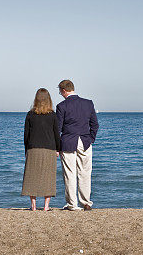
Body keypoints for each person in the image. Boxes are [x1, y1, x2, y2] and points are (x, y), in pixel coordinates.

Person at [56, 79, 99, 211]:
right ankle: (85, 202)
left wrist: (57, 147)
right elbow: (94, 125)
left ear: (63, 90)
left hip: (68, 141)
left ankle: (72, 204)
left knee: (69, 173)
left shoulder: (61, 106)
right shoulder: (88, 103)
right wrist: (91, 139)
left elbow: (57, 128)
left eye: (60, 91)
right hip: (85, 141)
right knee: (85, 172)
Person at [22, 88, 61, 211]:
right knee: (48, 177)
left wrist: (26, 149)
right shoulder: (52, 115)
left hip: (33, 147)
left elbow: (26, 134)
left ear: (36, 99)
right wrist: (58, 149)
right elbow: (56, 134)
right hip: (49, 148)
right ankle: (46, 206)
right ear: (48, 99)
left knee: (31, 176)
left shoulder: (30, 114)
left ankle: (33, 206)